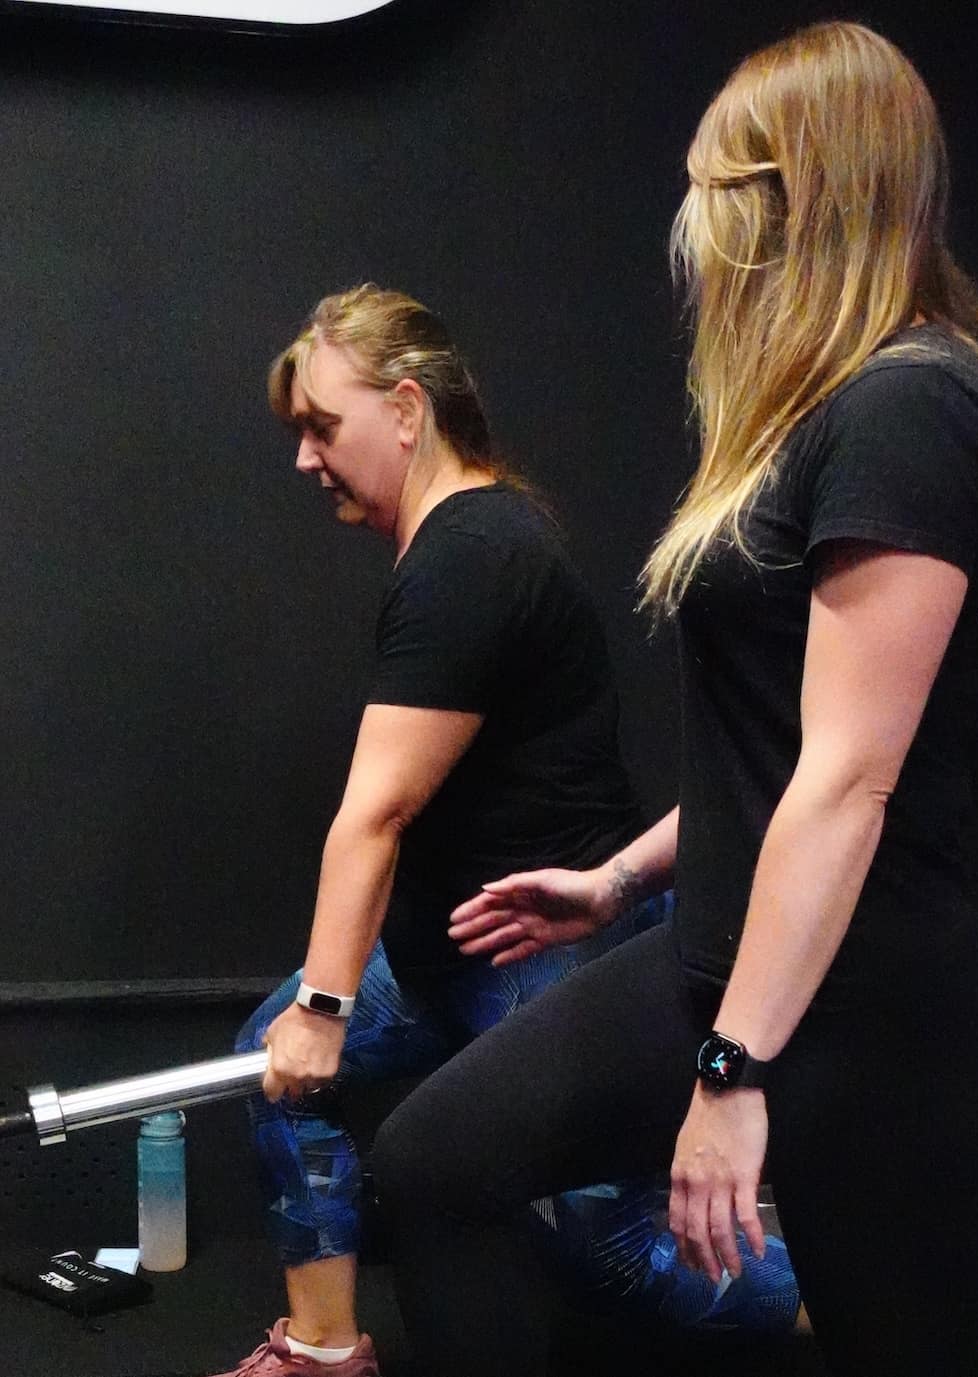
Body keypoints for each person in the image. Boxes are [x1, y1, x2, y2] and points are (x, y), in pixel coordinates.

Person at [372, 19, 978, 1377]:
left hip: (863, 999)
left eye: (713, 188)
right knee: (435, 1162)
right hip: (734, 956)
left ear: (800, 194)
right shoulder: (839, 407)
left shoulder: (909, 411)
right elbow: (778, 752)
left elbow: (849, 779)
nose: (691, 230)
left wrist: (731, 1075)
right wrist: (618, 880)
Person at [213, 285, 674, 1377]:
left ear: (408, 408)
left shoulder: (473, 554)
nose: (306, 458)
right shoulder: (452, 546)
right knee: (269, 1069)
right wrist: (308, 1021)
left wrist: (324, 1008)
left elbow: (376, 810)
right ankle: (326, 1350)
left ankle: (848, 1298)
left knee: (618, 1258)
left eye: (324, 427)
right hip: (449, 947)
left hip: (553, 950)